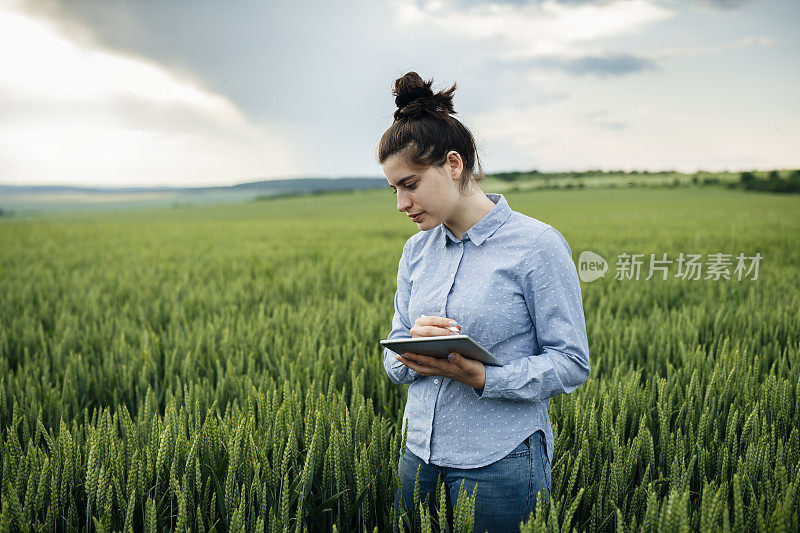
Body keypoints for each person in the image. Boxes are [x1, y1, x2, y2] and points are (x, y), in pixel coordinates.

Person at [377, 72, 591, 533]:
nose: (400, 203)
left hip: (501, 460)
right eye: (393, 188)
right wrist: (412, 346)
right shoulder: (416, 251)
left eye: (410, 184)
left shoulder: (536, 245)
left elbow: (571, 363)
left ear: (453, 164)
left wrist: (484, 378)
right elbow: (394, 362)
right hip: (418, 455)